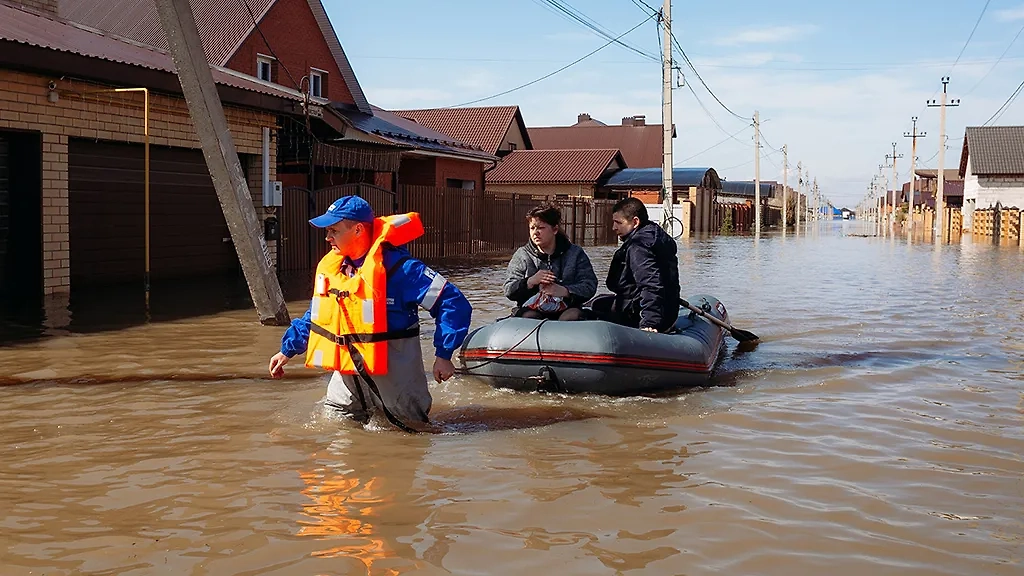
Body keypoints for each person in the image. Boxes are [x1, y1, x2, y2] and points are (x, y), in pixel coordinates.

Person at [267, 196, 472, 431]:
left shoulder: (401, 269)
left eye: (334, 230)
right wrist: (288, 350)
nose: (328, 238)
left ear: (357, 230)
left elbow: (453, 302)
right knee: (335, 430)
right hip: (347, 372)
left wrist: (444, 355)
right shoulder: (334, 270)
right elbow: (317, 315)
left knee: (408, 434)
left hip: (394, 374)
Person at [593, 197, 680, 333]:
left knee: (594, 308)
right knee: (600, 301)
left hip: (643, 314)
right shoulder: (655, 236)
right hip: (667, 309)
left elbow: (651, 284)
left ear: (635, 222)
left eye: (618, 223)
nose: (614, 228)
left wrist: (650, 322)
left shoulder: (638, 247)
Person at [503, 204, 597, 321]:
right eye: (532, 228)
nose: (535, 233)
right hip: (531, 310)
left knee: (573, 316)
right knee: (529, 317)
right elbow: (509, 289)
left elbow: (590, 285)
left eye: (541, 228)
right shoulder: (522, 255)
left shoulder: (575, 253)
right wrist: (530, 282)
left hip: (567, 309)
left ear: (555, 229)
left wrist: (566, 291)